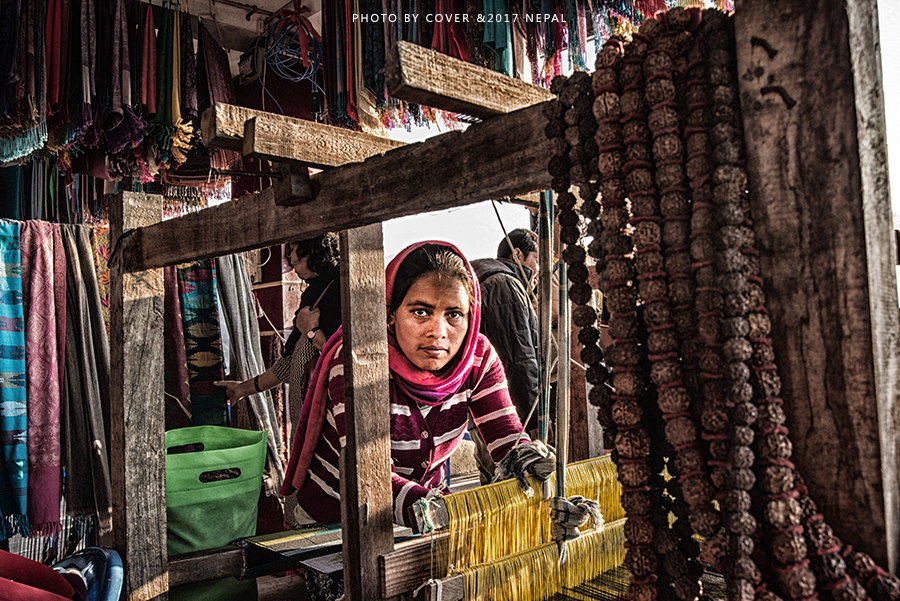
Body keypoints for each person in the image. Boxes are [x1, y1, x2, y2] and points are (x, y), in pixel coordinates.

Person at [279, 241, 530, 527]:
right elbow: (371, 478)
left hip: (425, 512)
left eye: (454, 314)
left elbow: (507, 439)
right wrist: (452, 515)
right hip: (336, 520)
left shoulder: (477, 358)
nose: (438, 332)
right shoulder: (357, 363)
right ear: (390, 314)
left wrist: (533, 470)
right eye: (421, 312)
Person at [216, 233, 342, 418]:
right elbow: (288, 364)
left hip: (326, 417)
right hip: (304, 418)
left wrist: (312, 332)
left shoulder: (338, 290)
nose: (291, 259)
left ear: (312, 254)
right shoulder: (315, 292)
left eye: (293, 252)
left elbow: (341, 355)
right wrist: (242, 389)